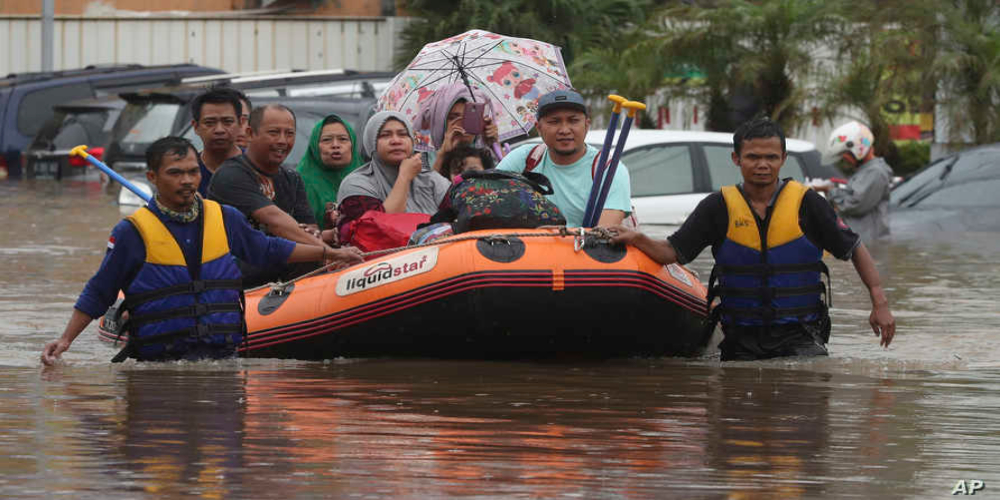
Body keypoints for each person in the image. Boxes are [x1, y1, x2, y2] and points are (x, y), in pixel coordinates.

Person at [40, 137, 362, 365]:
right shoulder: (131, 232)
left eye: (193, 171)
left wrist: (329, 254)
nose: (187, 180)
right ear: (152, 177)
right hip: (158, 366)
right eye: (175, 173)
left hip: (222, 360)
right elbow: (100, 290)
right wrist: (65, 340)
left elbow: (268, 249)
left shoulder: (225, 217)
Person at [609, 117, 895, 361]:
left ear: (783, 159)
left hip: (801, 339)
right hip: (740, 341)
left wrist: (879, 302)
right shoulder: (717, 207)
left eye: (771, 157)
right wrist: (636, 238)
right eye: (753, 157)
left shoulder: (808, 203)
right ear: (736, 159)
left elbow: (854, 247)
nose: (762, 165)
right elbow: (672, 252)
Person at [207, 104, 335, 286]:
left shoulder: (292, 178)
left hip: (287, 282)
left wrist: (323, 239)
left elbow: (309, 230)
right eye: (274, 133)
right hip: (238, 281)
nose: (283, 141)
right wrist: (330, 253)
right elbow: (275, 221)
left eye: (289, 134)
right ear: (250, 133)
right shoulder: (230, 175)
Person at [495, 89, 631, 227]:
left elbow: (604, 232)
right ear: (539, 128)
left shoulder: (609, 169)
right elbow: (490, 198)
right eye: (554, 122)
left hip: (587, 242)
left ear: (586, 125)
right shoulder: (524, 159)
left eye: (573, 121)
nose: (565, 130)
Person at [336, 111, 450, 231]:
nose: (396, 141)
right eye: (385, 135)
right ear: (371, 142)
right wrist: (404, 177)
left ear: (412, 140)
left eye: (403, 134)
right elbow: (379, 230)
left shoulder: (431, 180)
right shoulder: (357, 184)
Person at [812, 121, 893, 243]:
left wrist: (830, 190)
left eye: (845, 154)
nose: (845, 159)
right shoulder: (865, 171)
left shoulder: (876, 173)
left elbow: (853, 205)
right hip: (860, 243)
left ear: (858, 149)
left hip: (869, 244)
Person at [296, 114, 363, 233]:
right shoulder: (298, 182)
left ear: (352, 144)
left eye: (343, 139)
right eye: (327, 140)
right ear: (315, 146)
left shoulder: (368, 179)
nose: (335, 145)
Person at [419, 82, 499, 176]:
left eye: (468, 117)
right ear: (441, 124)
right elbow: (428, 185)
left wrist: (494, 144)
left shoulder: (485, 154)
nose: (461, 124)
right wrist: (442, 153)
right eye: (453, 118)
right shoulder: (424, 159)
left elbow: (507, 180)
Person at [190, 88, 244, 196]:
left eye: (227, 122)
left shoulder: (259, 166)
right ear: (196, 127)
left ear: (240, 123)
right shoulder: (188, 172)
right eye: (209, 123)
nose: (219, 130)